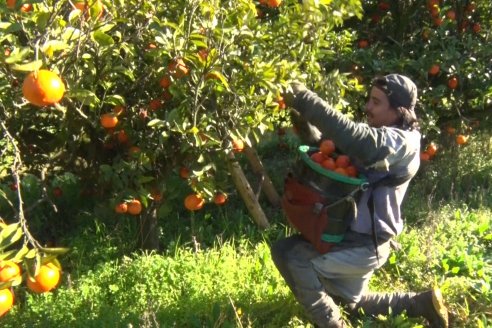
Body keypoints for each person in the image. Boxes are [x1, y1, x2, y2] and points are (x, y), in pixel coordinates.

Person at [271, 74, 449, 328]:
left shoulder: (401, 142)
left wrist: (303, 97)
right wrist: (303, 122)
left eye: (376, 102)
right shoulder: (386, 134)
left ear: (398, 109)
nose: (368, 107)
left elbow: (360, 141)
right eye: (369, 100)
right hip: (356, 237)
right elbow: (333, 150)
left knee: (290, 254)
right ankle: (420, 303)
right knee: (351, 303)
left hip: (362, 245)